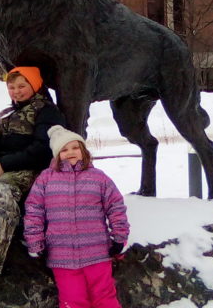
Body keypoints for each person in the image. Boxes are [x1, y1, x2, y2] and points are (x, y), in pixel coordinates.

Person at [0, 66, 65, 285]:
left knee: (2, 191)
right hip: (3, 168)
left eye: (22, 86)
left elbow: (43, 148)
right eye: (12, 87)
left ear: (34, 85)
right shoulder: (7, 113)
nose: (16, 91)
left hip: (31, 169)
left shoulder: (46, 111)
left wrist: (5, 165)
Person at [24, 125, 129, 308]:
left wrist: (119, 236)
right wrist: (35, 241)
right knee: (72, 300)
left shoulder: (98, 177)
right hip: (61, 255)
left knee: (104, 297)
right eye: (64, 149)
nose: (70, 152)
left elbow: (115, 206)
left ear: (83, 150)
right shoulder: (46, 179)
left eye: (75, 147)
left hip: (97, 252)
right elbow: (34, 210)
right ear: (57, 155)